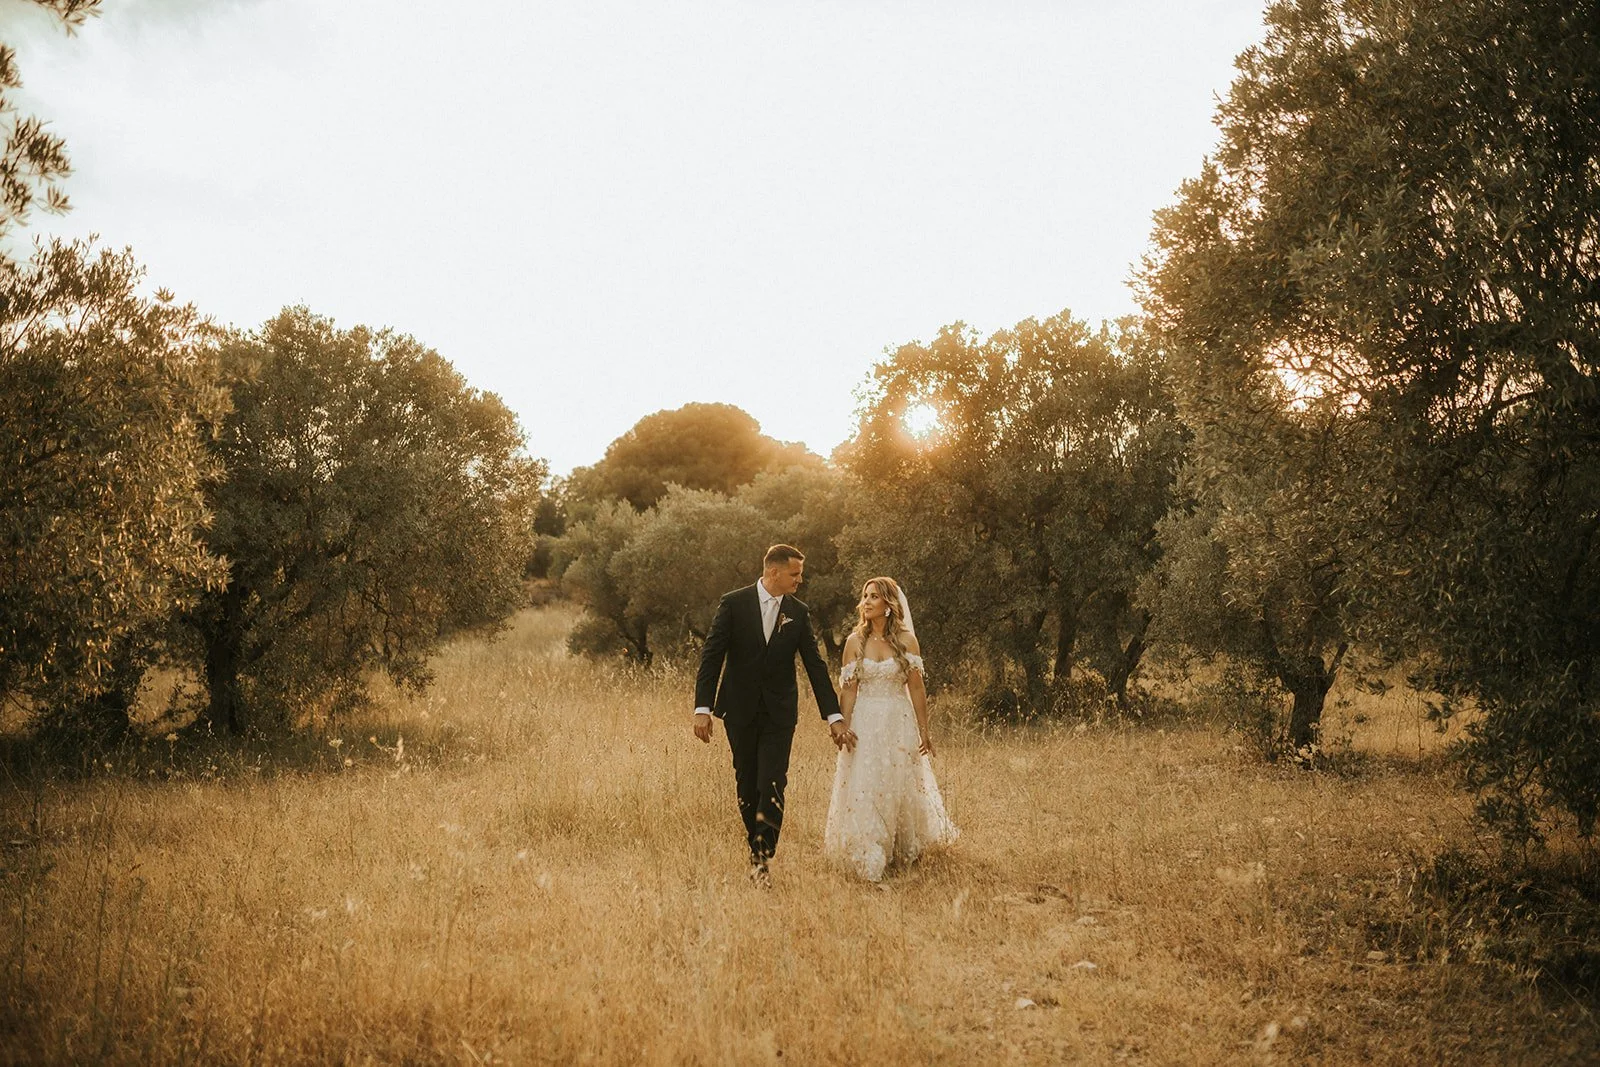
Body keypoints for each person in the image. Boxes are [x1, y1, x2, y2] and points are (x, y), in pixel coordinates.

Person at [694, 544, 852, 888]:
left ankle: (761, 860)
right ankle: (756, 846)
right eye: (795, 574)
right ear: (773, 572)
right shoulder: (733, 603)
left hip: (779, 714)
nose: (799, 580)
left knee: (773, 783)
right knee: (747, 783)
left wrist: (834, 715)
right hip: (739, 710)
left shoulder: (798, 612)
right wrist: (702, 708)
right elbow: (712, 656)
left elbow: (815, 664)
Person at [823, 576, 957, 882]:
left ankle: (901, 850)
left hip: (898, 721)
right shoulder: (854, 642)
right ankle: (868, 852)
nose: (866, 602)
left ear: (888, 604)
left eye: (873, 596)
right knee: (866, 782)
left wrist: (924, 730)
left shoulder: (907, 641)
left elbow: (917, 688)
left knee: (898, 782)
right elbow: (849, 690)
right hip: (865, 722)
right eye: (865, 596)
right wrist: (842, 726)